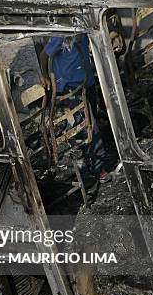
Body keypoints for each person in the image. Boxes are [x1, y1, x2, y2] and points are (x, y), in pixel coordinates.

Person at [39, 34, 110, 183]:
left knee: (92, 117)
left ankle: (88, 156)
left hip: (87, 80)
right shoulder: (60, 35)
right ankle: (99, 167)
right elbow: (44, 55)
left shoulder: (82, 29)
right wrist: (45, 76)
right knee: (89, 122)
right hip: (70, 85)